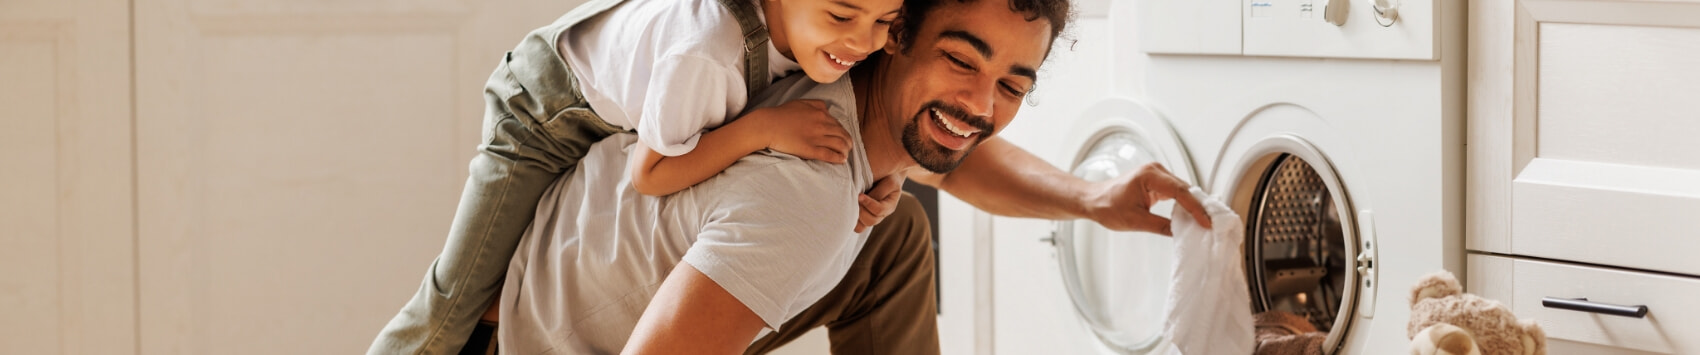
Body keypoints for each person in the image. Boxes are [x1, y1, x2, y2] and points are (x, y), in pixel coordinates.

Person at [486, 0, 1214, 353]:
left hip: (572, 273)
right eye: (961, 61)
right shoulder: (806, 200)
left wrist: (1090, 197)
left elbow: (954, 145)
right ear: (895, 39)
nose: (982, 104)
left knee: (893, 237)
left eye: (1012, 85)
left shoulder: (837, 73)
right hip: (541, 339)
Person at [370, 0, 913, 352]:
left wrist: (886, 179)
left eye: (887, 23)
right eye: (843, 17)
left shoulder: (824, 35)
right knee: (452, 301)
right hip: (541, 112)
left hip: (618, 102)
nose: (864, 42)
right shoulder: (708, 52)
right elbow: (651, 173)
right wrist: (762, 129)